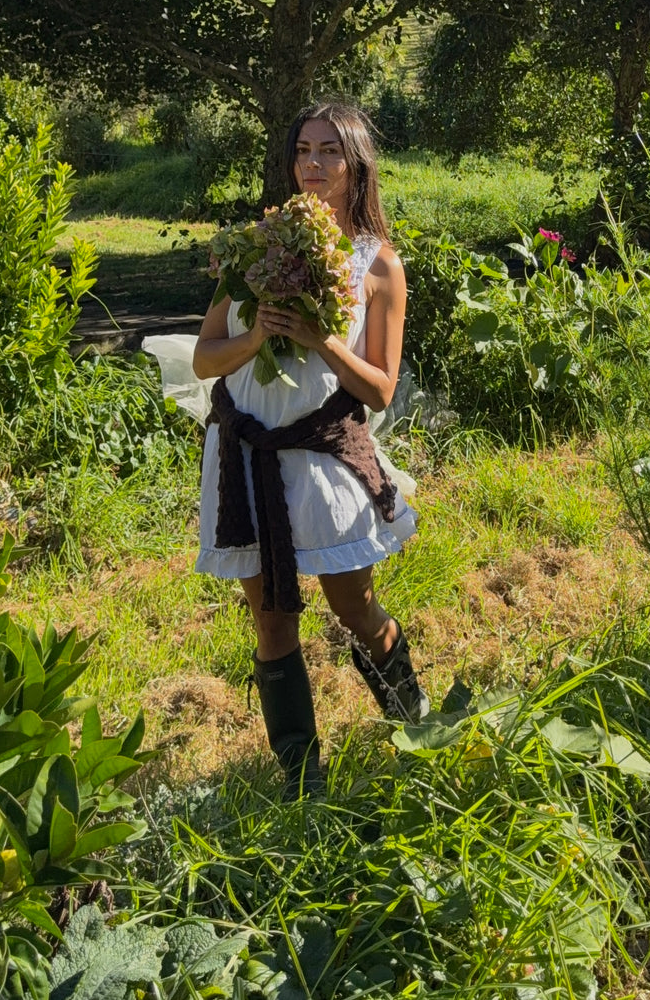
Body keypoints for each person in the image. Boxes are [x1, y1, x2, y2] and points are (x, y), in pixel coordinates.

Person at [191, 101, 427, 799]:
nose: (313, 165)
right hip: (247, 454)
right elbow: (207, 359)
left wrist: (320, 334)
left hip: (324, 454)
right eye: (303, 150)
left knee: (354, 607)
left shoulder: (377, 265)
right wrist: (257, 338)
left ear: (357, 166)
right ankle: (303, 787)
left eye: (329, 151)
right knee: (271, 620)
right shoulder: (257, 247)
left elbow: (381, 389)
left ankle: (416, 730)